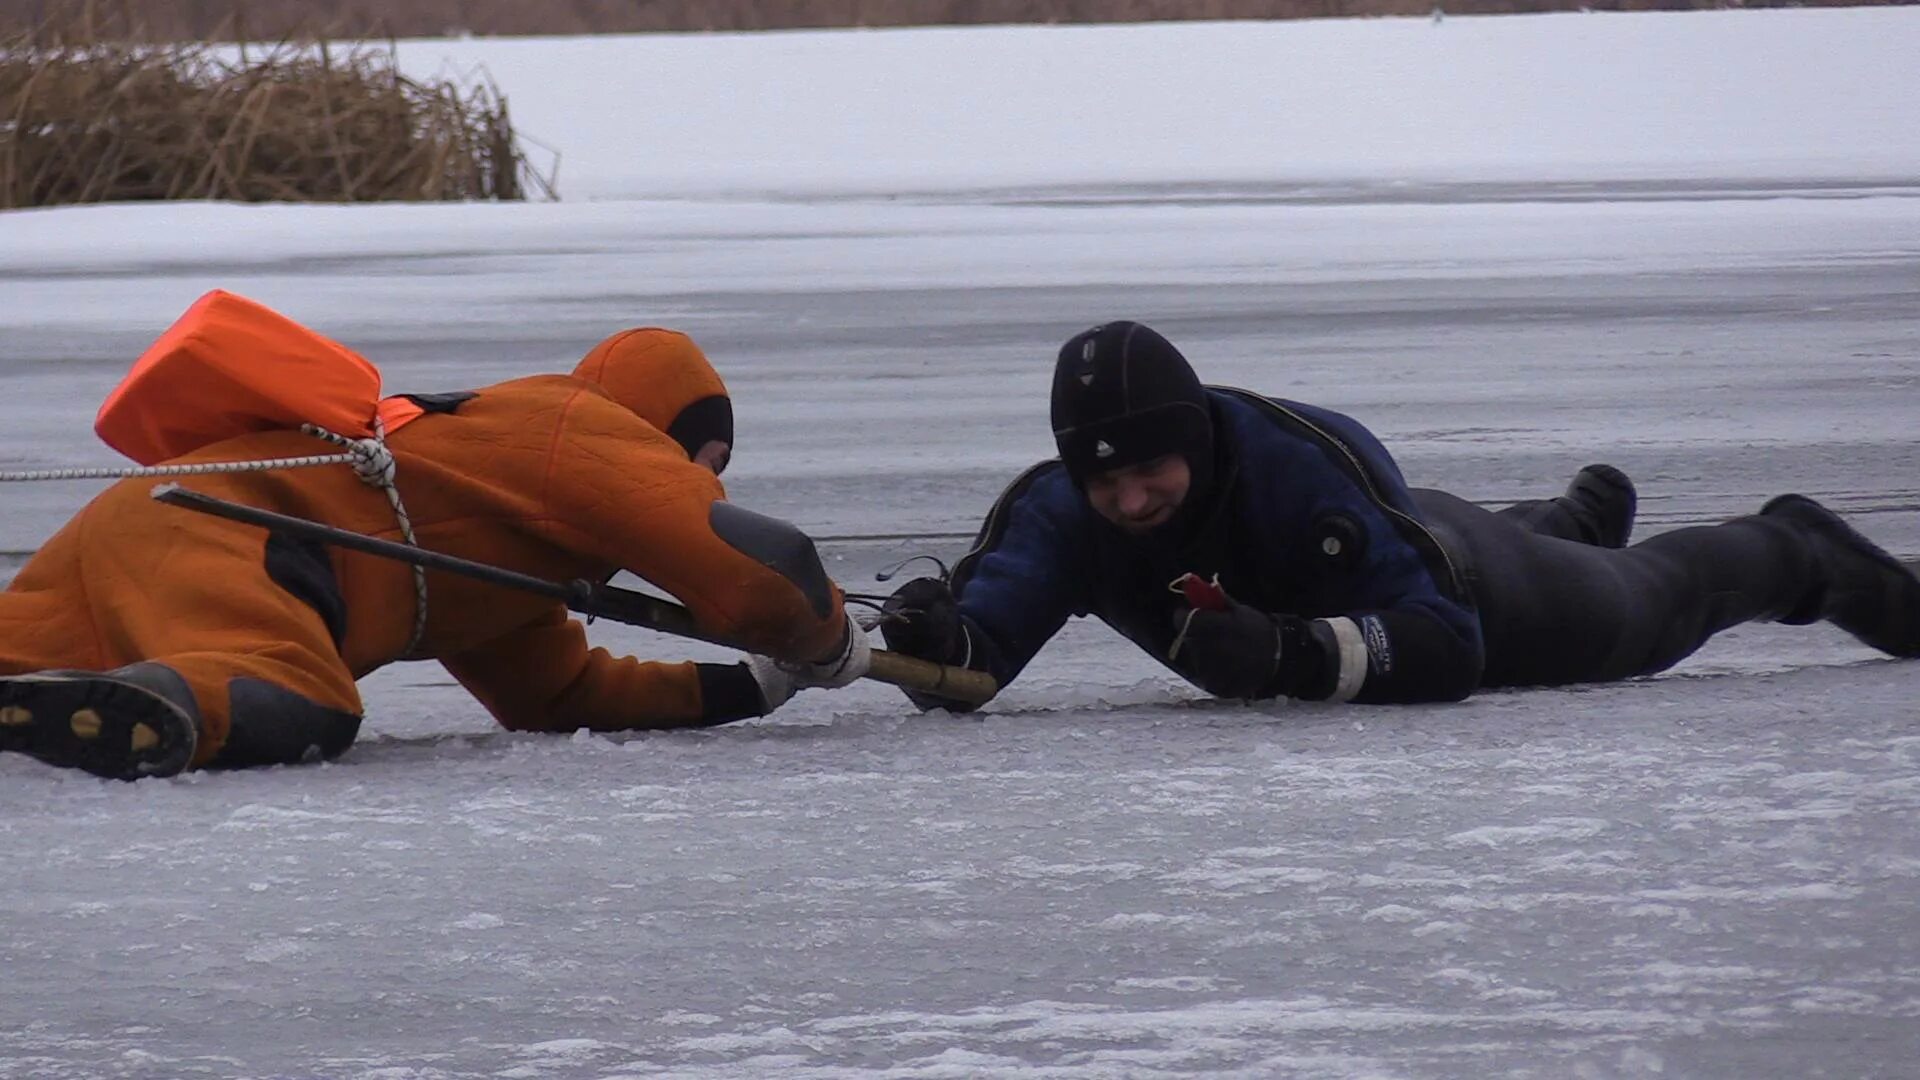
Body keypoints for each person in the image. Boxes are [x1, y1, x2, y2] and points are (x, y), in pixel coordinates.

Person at [879, 321, 1920, 709]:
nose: (1129, 501)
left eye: (1152, 471)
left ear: (1193, 442)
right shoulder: (1062, 512)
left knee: (1656, 600)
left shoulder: (1298, 469)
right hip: (1402, 533)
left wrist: (1285, 657)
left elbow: (1448, 643)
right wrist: (934, 636)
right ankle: (1567, 517)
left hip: (1481, 594)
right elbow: (978, 655)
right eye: (1105, 483)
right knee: (1426, 531)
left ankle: (1801, 547)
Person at [0, 324, 867, 780]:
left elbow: (560, 695)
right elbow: (756, 579)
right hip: (246, 530)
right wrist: (826, 638)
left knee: (30, 643)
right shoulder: (575, 424)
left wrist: (756, 684)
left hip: (150, 517)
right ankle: (169, 712)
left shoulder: (499, 544)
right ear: (656, 430)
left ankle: (81, 700)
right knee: (293, 694)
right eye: (704, 461)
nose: (706, 483)